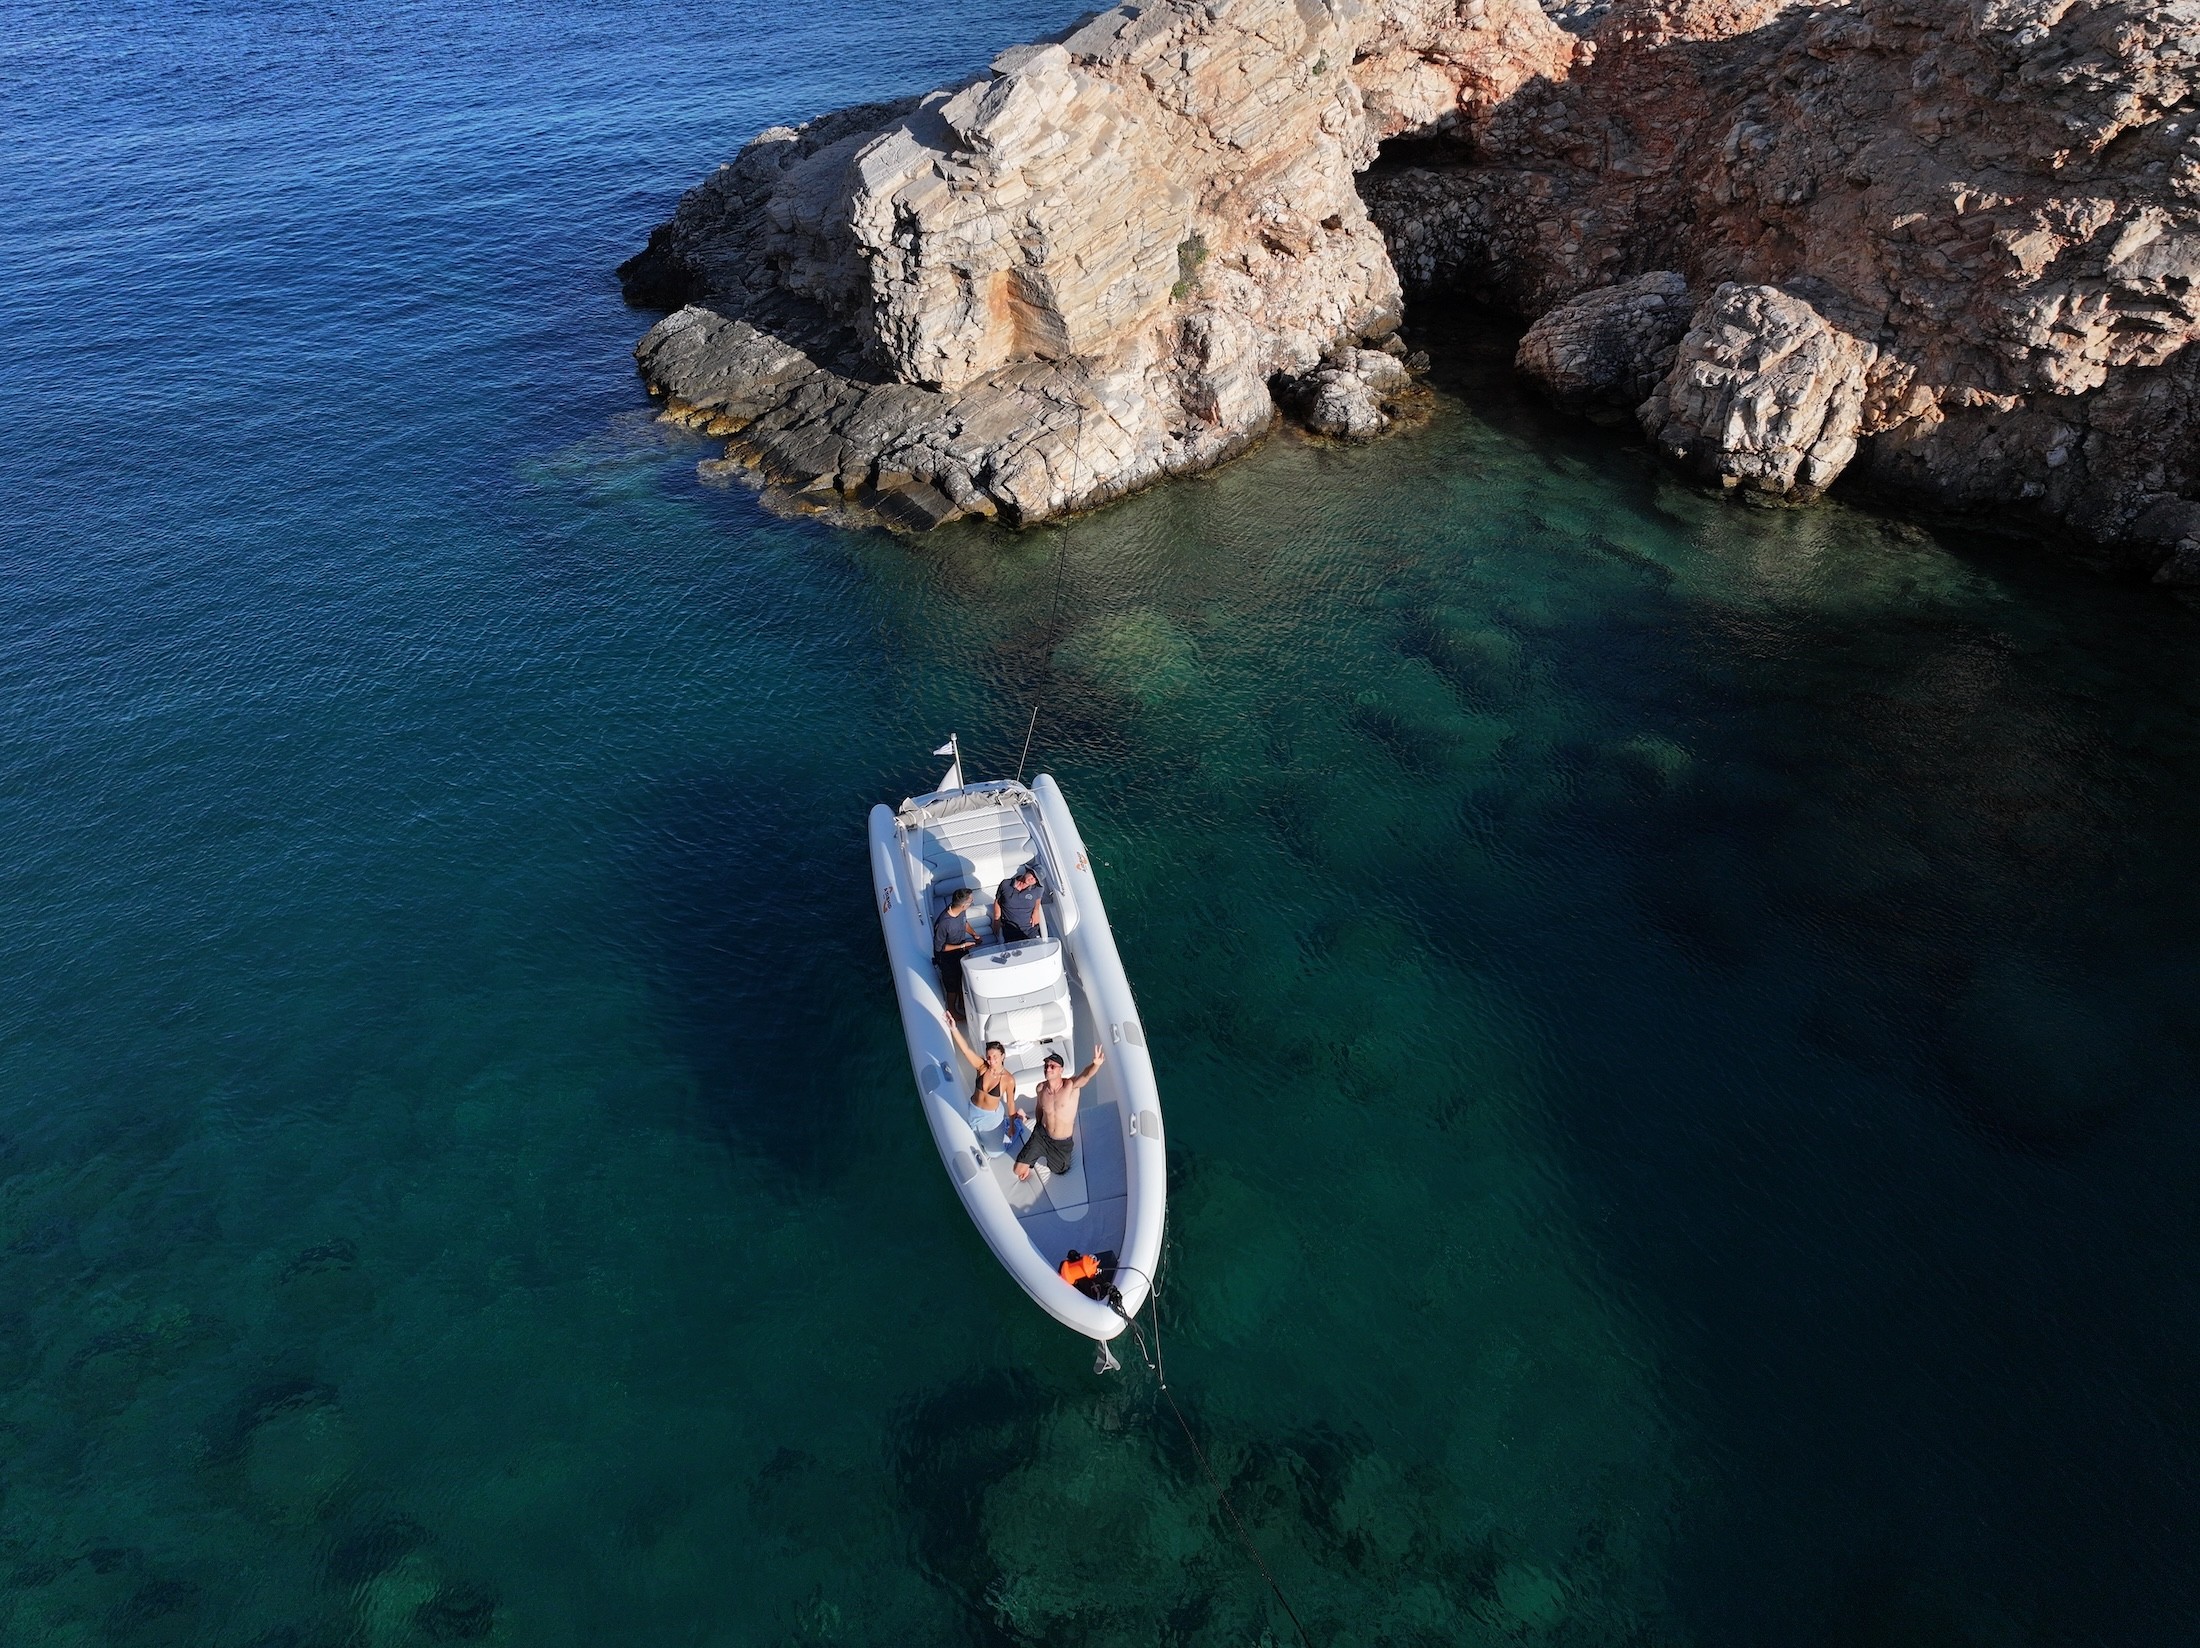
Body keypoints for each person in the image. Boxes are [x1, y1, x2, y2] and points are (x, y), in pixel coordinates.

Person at [1014, 1044, 1105, 1183]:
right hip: (1041, 1135)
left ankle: (1046, 1156)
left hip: (1061, 1143)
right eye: (1046, 1065)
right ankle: (1025, 1128)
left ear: (1061, 1070)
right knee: (1017, 1170)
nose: (1048, 1068)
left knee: (1059, 1171)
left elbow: (1085, 1076)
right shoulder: (1041, 1088)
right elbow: (1039, 1108)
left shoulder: (1070, 1086)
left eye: (1052, 1066)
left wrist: (1095, 1064)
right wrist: (1037, 1129)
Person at [943, 1011, 1026, 1152]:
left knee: (996, 1153)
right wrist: (954, 1028)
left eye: (995, 1057)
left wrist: (1012, 1126)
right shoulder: (982, 1067)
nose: (991, 1060)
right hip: (973, 1111)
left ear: (1003, 1056)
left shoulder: (1008, 1079)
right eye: (989, 1057)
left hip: (990, 1119)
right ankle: (1005, 1123)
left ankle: (1019, 1122)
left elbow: (1011, 1103)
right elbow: (966, 1050)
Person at [932, 888, 979, 1020]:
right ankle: (952, 1010)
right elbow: (940, 948)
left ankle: (963, 1002)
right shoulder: (944, 923)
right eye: (971, 901)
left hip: (960, 950)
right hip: (947, 958)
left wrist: (974, 934)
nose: (972, 902)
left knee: (962, 977)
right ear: (964, 905)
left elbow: (964, 924)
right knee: (951, 984)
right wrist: (963, 946)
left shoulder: (961, 911)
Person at [993, 864, 1045, 945]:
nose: (1032, 879)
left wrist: (1036, 910)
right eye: (1033, 875)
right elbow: (997, 901)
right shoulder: (1005, 884)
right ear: (1027, 871)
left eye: (1036, 880)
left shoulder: (1038, 889)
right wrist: (996, 918)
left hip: (1030, 930)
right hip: (1010, 930)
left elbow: (1038, 899)